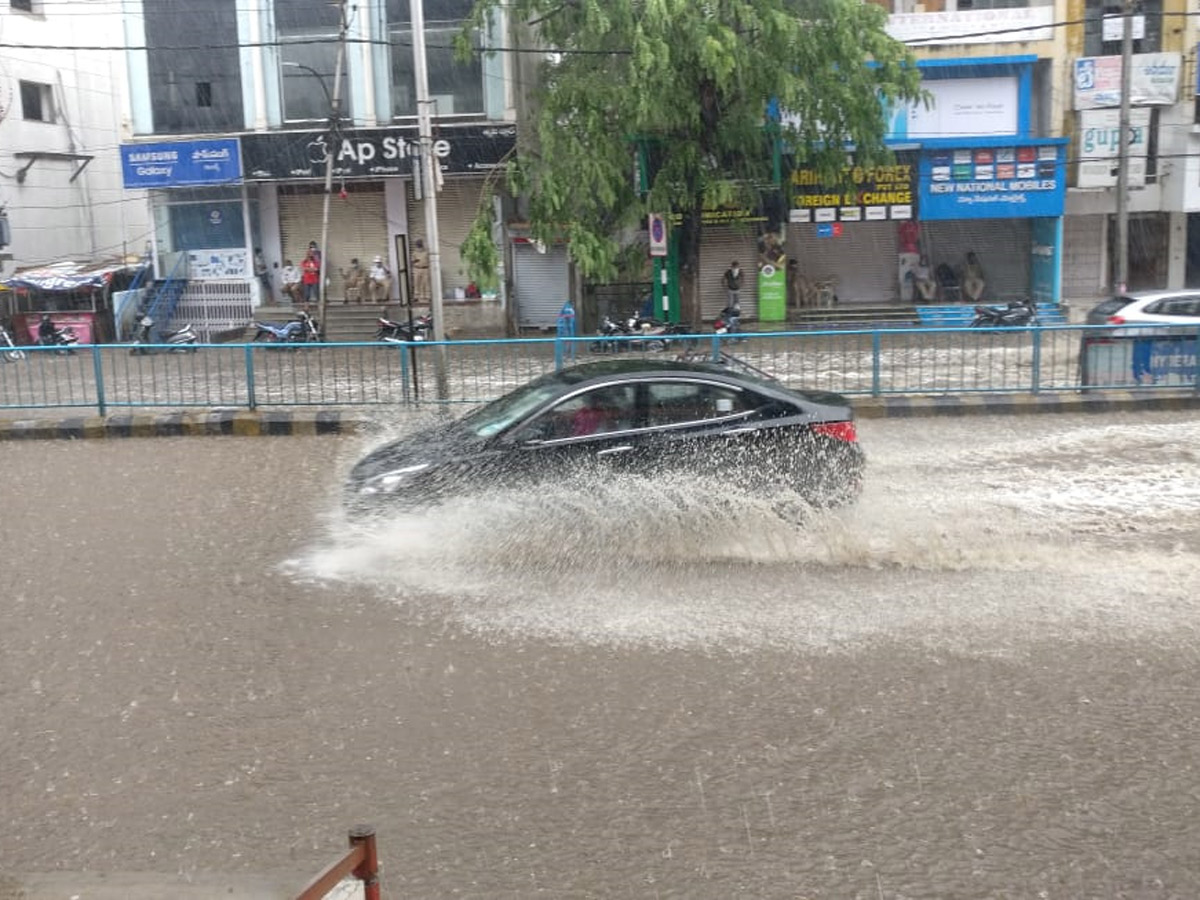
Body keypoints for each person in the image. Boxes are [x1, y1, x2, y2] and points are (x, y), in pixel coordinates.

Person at [410, 238, 431, 304]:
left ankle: (428, 296)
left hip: (425, 268)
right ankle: (416, 297)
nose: (419, 245)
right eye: (417, 243)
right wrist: (416, 260)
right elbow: (412, 261)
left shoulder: (426, 252)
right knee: (416, 283)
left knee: (426, 282)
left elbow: (430, 261)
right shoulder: (414, 253)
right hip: (417, 268)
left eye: (420, 243)